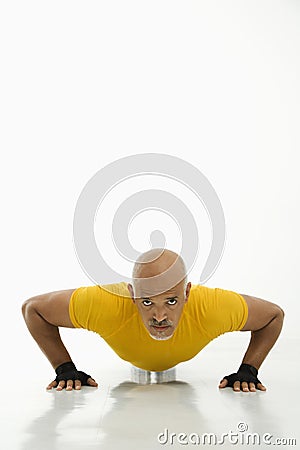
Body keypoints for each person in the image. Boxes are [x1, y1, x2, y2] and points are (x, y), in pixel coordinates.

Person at [22, 248, 284, 393]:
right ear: (132, 295)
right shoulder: (108, 304)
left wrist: (248, 371)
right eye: (147, 302)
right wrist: (64, 368)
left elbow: (273, 316)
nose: (159, 317)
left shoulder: (212, 308)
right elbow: (33, 309)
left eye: (171, 301)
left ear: (187, 293)